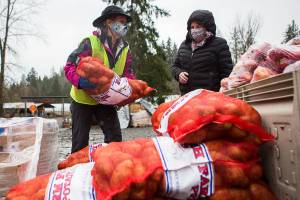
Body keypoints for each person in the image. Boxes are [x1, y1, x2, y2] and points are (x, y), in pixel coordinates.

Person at [64, 5, 135, 153]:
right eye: (121, 22)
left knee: (115, 139)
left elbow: (128, 74)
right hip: (82, 100)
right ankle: (78, 171)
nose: (124, 26)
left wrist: (129, 92)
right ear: (109, 23)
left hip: (105, 100)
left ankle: (110, 168)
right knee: (80, 143)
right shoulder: (90, 43)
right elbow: (69, 66)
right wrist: (80, 82)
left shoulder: (125, 49)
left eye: (125, 23)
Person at [171, 10, 233, 94]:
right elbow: (175, 66)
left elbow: (227, 72)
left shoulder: (219, 44)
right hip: (187, 97)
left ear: (207, 27)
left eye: (198, 26)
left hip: (211, 98)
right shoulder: (184, 45)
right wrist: (179, 74)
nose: (194, 30)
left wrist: (223, 92)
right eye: (192, 27)